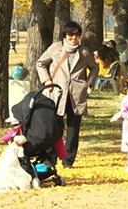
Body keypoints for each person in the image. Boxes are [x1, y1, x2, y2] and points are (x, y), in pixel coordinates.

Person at [37, 21, 99, 168]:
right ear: (65, 35)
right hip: (56, 93)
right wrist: (46, 80)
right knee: (52, 127)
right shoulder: (56, 48)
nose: (73, 37)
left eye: (77, 34)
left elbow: (95, 68)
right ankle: (50, 158)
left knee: (73, 128)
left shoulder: (84, 52)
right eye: (71, 34)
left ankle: (68, 160)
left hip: (76, 95)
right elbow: (40, 63)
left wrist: (88, 83)